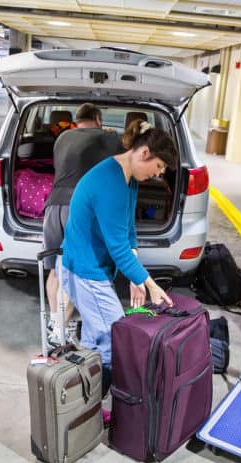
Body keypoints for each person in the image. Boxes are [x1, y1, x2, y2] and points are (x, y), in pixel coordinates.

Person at [59, 118, 174, 399]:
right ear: (144, 153)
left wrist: (136, 278)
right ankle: (98, 403)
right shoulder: (110, 182)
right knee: (113, 338)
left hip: (91, 267)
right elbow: (118, 248)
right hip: (86, 271)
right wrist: (150, 285)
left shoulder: (128, 178)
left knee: (94, 339)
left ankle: (84, 405)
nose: (157, 175)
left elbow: (128, 230)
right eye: (158, 167)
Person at [43, 103, 123, 342]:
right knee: (72, 268)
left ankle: (53, 319)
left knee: (54, 267)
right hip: (77, 209)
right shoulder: (109, 138)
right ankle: (60, 330)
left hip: (52, 207)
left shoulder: (63, 138)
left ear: (77, 121)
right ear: (98, 118)